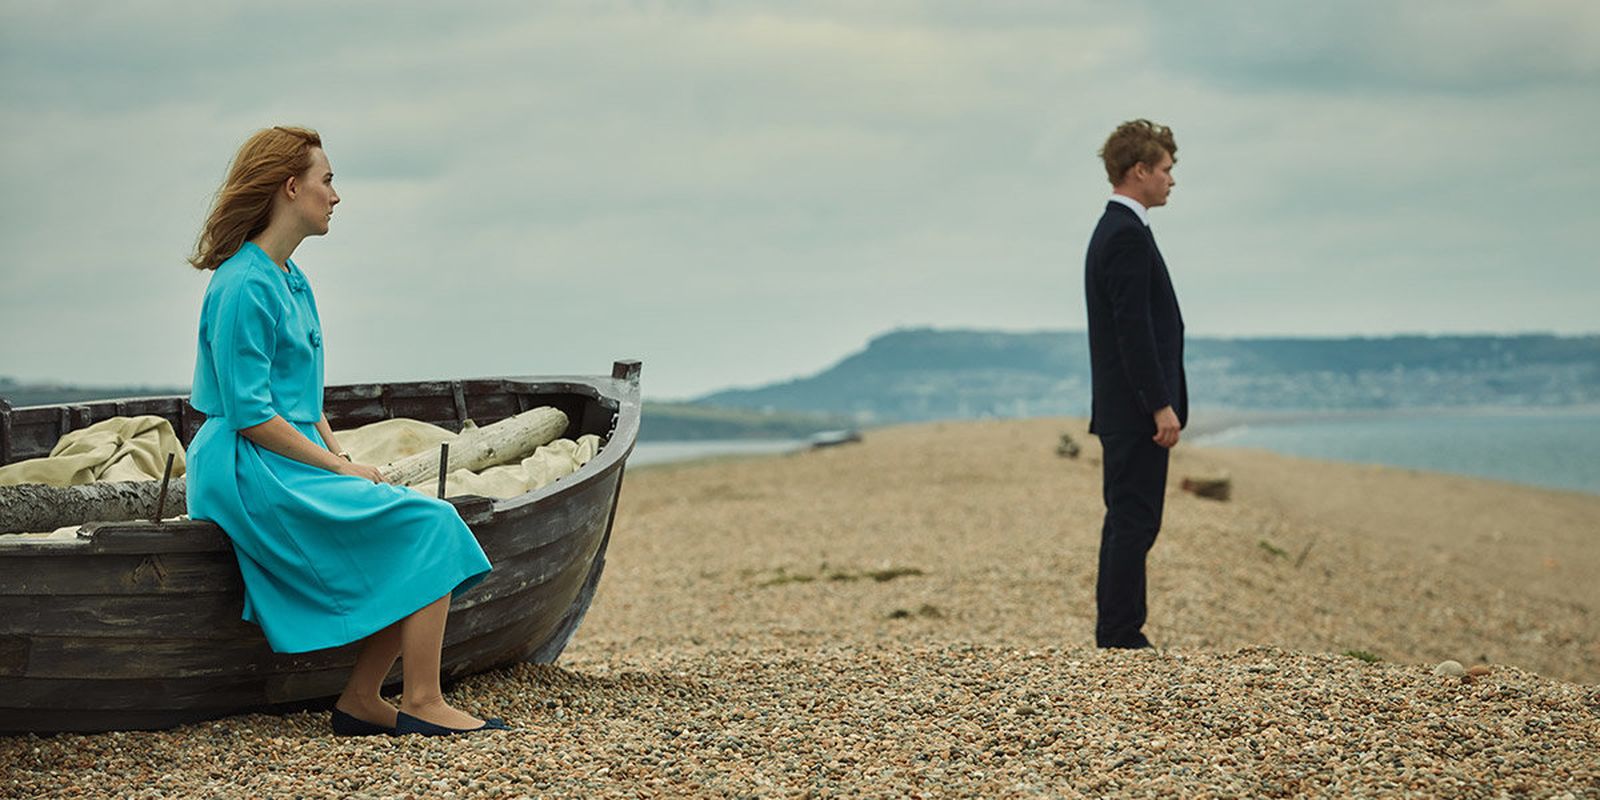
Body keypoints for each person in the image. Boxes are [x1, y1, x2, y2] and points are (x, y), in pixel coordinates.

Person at [185, 126, 505, 735]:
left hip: (286, 457)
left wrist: (344, 458)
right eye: (327, 180)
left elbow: (300, 401)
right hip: (247, 470)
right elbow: (250, 414)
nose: (336, 196)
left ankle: (361, 699)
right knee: (431, 523)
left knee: (407, 529)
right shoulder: (244, 284)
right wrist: (336, 468)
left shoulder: (290, 277)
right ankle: (422, 701)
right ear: (290, 187)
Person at [1082, 119, 1187, 649]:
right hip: (1134, 411)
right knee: (1134, 520)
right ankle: (1121, 635)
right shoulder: (1124, 233)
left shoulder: (1123, 228)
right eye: (1166, 169)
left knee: (1130, 518)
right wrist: (1159, 404)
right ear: (1139, 170)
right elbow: (1133, 331)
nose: (1172, 179)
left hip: (1128, 408)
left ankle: (1119, 630)